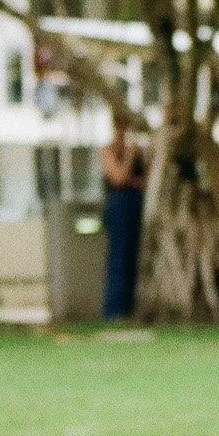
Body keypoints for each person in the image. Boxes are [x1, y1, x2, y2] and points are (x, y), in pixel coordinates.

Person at [99, 122, 147, 319]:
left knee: (135, 256)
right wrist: (128, 157)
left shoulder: (137, 152)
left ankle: (130, 308)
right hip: (119, 204)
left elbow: (147, 179)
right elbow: (119, 178)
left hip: (136, 203)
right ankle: (114, 309)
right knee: (118, 257)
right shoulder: (109, 151)